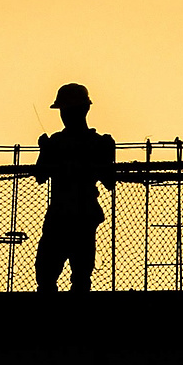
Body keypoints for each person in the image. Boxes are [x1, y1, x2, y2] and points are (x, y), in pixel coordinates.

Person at [35, 83, 115, 293]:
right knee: (46, 274)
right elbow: (41, 176)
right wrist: (45, 152)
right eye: (64, 110)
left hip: (78, 217)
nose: (66, 115)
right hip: (65, 217)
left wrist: (107, 154)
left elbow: (109, 180)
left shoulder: (96, 143)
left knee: (79, 276)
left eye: (69, 110)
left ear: (84, 110)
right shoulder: (59, 142)